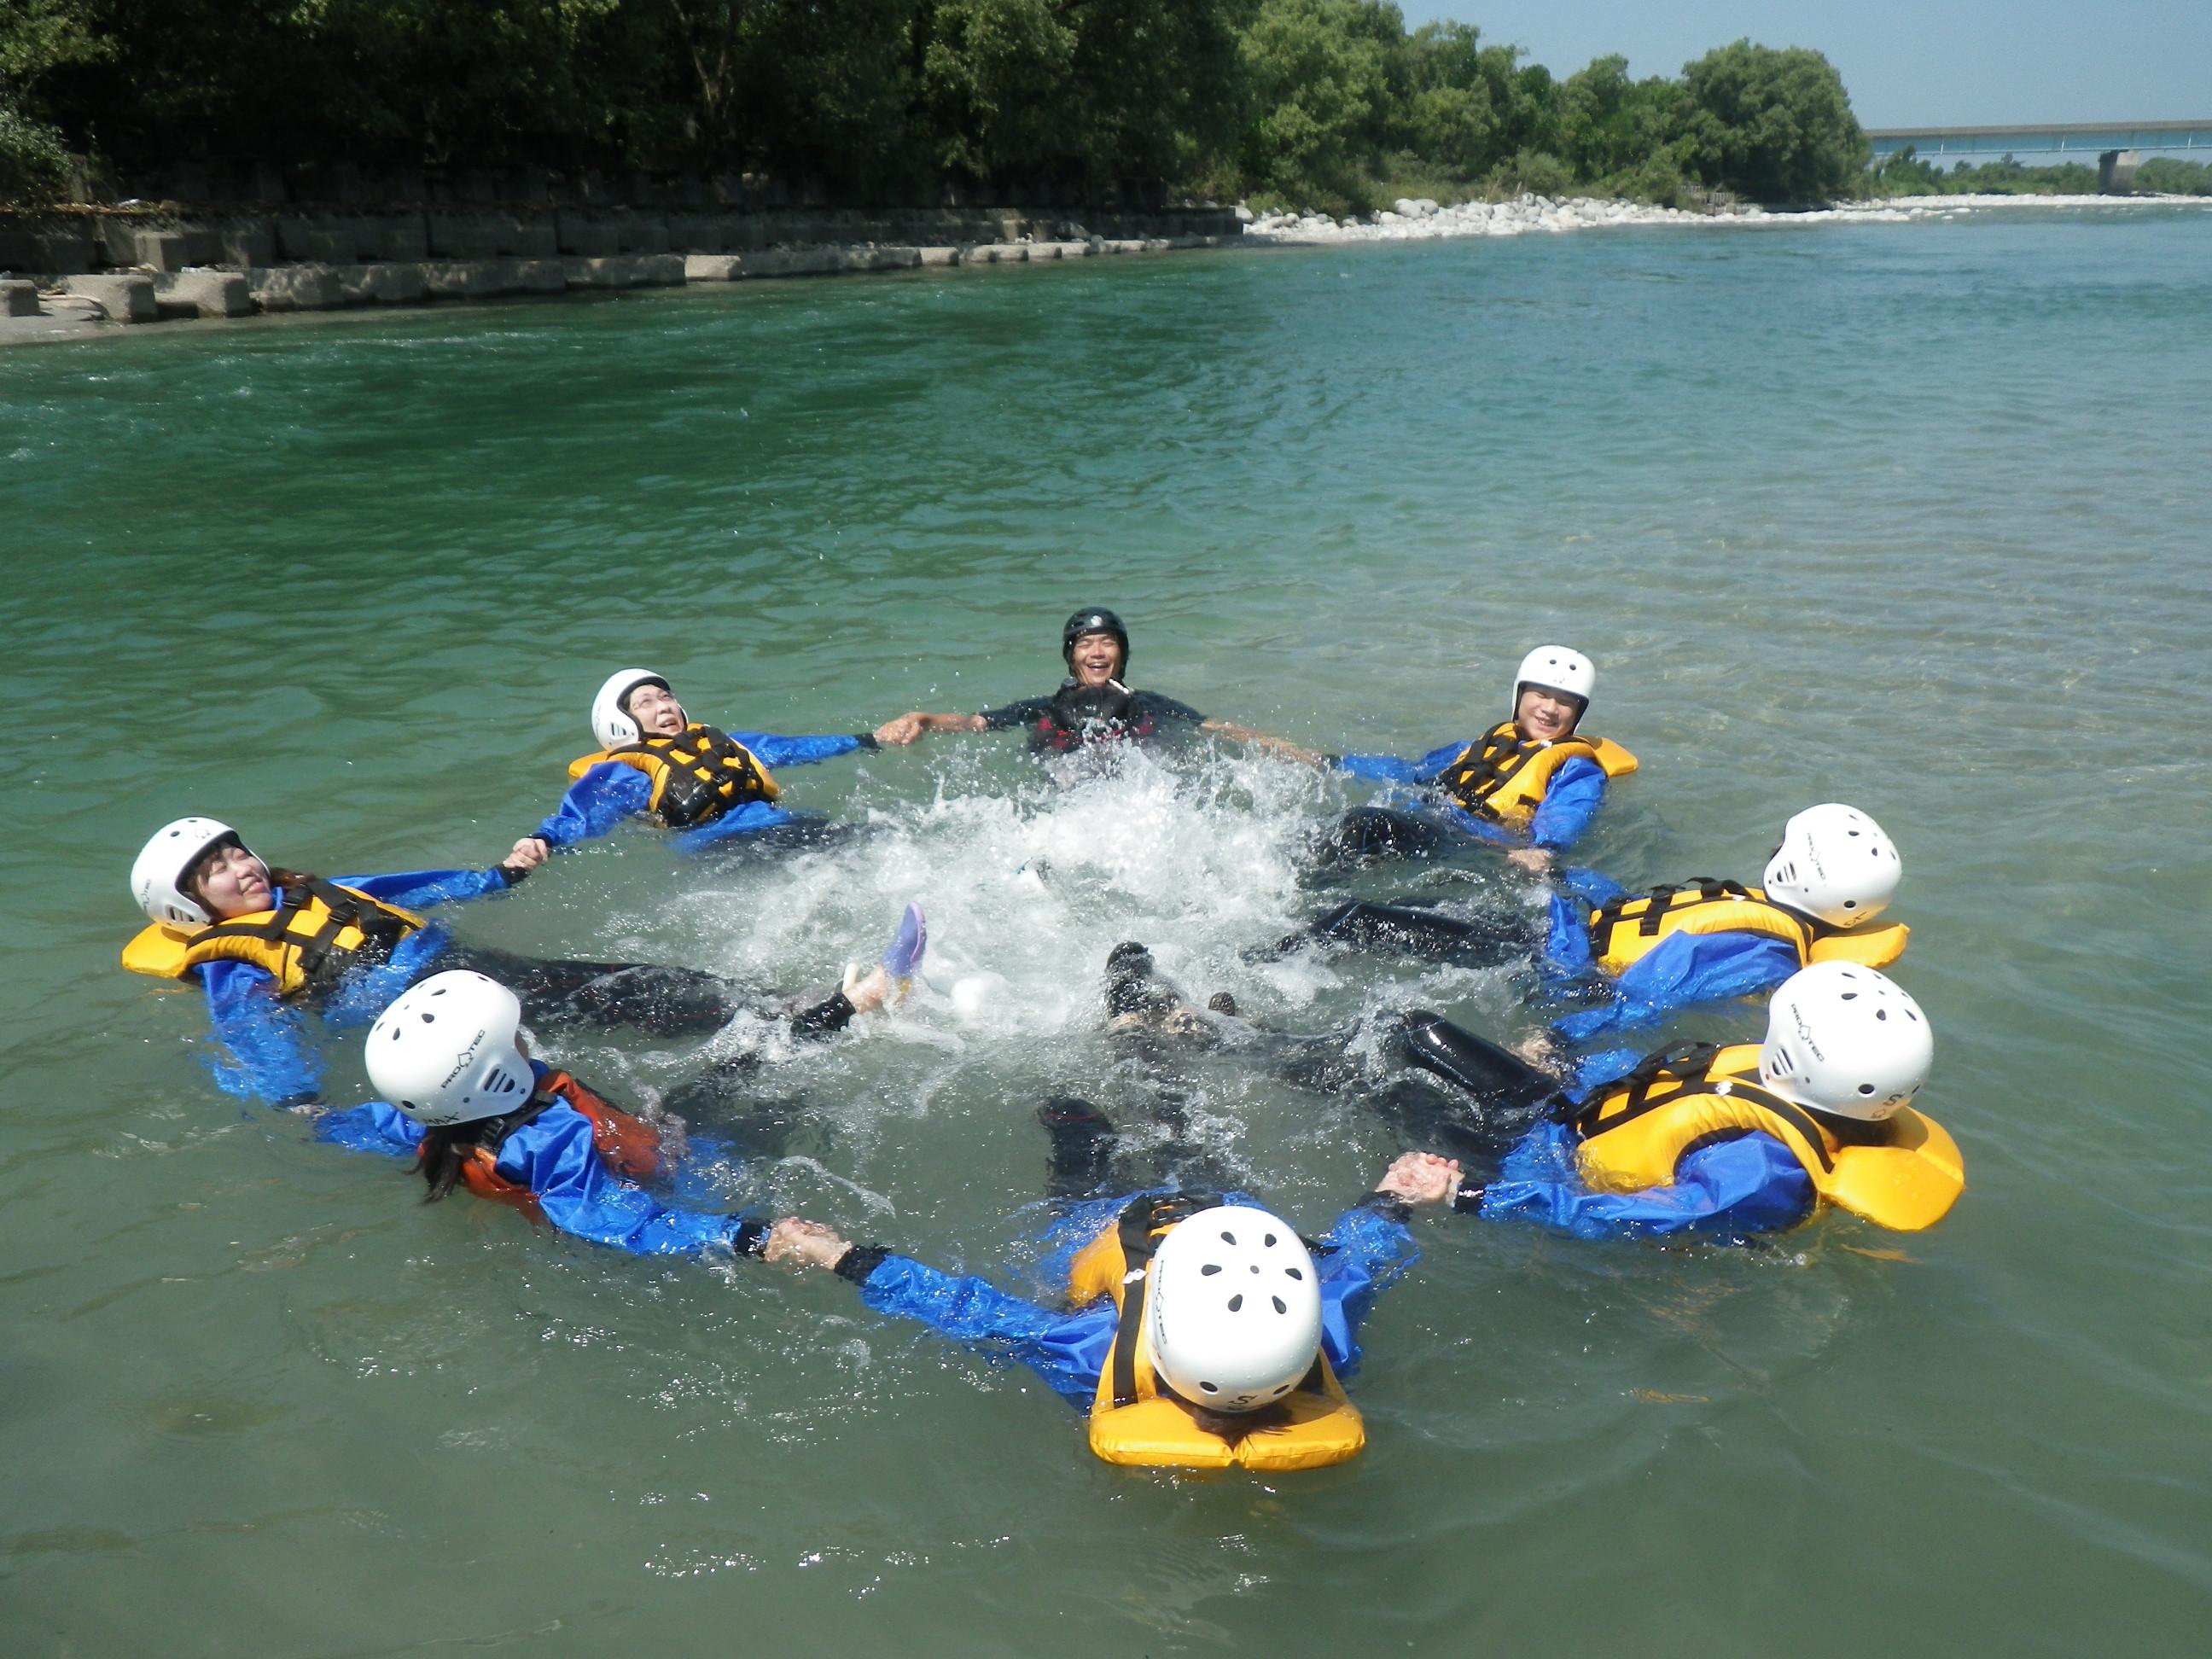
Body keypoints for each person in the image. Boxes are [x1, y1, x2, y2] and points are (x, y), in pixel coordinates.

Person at [121, 815, 927, 1107]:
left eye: (235, 851)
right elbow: (248, 1028)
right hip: (447, 1013)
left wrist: (501, 874)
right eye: (215, 871)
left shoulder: (316, 892)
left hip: (476, 964)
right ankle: (821, 1019)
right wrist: (297, 1098)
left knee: (639, 985)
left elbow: (419, 887)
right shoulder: (231, 963)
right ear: (189, 908)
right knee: (637, 1004)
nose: (239, 867)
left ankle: (801, 1007)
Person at [767, 1149, 1461, 1470]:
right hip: (1150, 1216)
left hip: (1166, 1217)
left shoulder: (1091, 1351)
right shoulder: (1329, 1337)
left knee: (1098, 1153)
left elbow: (967, 1307)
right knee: (1107, 1148)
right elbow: (1354, 1259)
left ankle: (1124, 1049)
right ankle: (1126, 1045)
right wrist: (1394, 1197)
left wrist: (843, 1256)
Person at [1340, 963, 1963, 1241]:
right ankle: (1262, 1039)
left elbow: (1630, 1218)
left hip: (1535, 1167)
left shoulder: (1759, 1171)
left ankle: (1251, 1049)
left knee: (1385, 1091)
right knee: (1412, 1027)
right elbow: (1666, 1079)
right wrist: (1561, 1060)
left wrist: (1465, 1195)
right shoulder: (1777, 1080)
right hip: (1564, 1112)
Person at [322, 969, 869, 1260]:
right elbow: (628, 1226)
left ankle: (840, 1009)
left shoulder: (439, 1120)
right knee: (790, 1104)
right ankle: (849, 1010)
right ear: (492, 1074)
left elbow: (376, 1122)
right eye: (509, 1041)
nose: (521, 1040)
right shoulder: (551, 1143)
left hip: (652, 1139)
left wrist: (311, 1115)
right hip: (683, 1171)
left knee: (731, 1074)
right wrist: (763, 1239)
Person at [1266, 803, 1908, 1044]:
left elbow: (1651, 996)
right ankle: (1280, 935)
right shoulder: (1757, 910)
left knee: (1357, 921)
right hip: (1553, 924)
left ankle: (1257, 968)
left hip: (1547, 962)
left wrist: (1559, 1038)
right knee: (1369, 894)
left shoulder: (1761, 948)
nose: (1772, 847)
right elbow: (1632, 909)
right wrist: (1562, 875)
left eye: (1784, 844)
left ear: (1801, 868)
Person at [510, 669, 921, 864]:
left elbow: (796, 748)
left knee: (890, 841)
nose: (664, 705)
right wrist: (542, 839)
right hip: (726, 849)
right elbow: (583, 812)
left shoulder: (729, 744)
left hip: (790, 825)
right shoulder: (626, 772)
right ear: (623, 723)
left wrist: (869, 740)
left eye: (666, 695)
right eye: (646, 702)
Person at [1317, 646, 1637, 873]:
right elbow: (1410, 771)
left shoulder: (1577, 770)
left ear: (1578, 713)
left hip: (1476, 846)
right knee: (1328, 827)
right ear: (1520, 696)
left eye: (1566, 703)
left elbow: (1570, 810)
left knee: (1366, 823)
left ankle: (1307, 889)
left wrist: (1546, 848)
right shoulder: (1477, 748)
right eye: (1540, 695)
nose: (1550, 709)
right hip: (1427, 824)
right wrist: (1331, 762)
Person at [876, 608, 1321, 763]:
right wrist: (924, 718)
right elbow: (975, 722)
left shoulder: (1148, 705)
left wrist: (1281, 746)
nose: (1096, 652)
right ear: (1071, 656)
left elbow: (1214, 727)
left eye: (1107, 643)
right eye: (1085, 644)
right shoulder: (1045, 707)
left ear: (1121, 654)